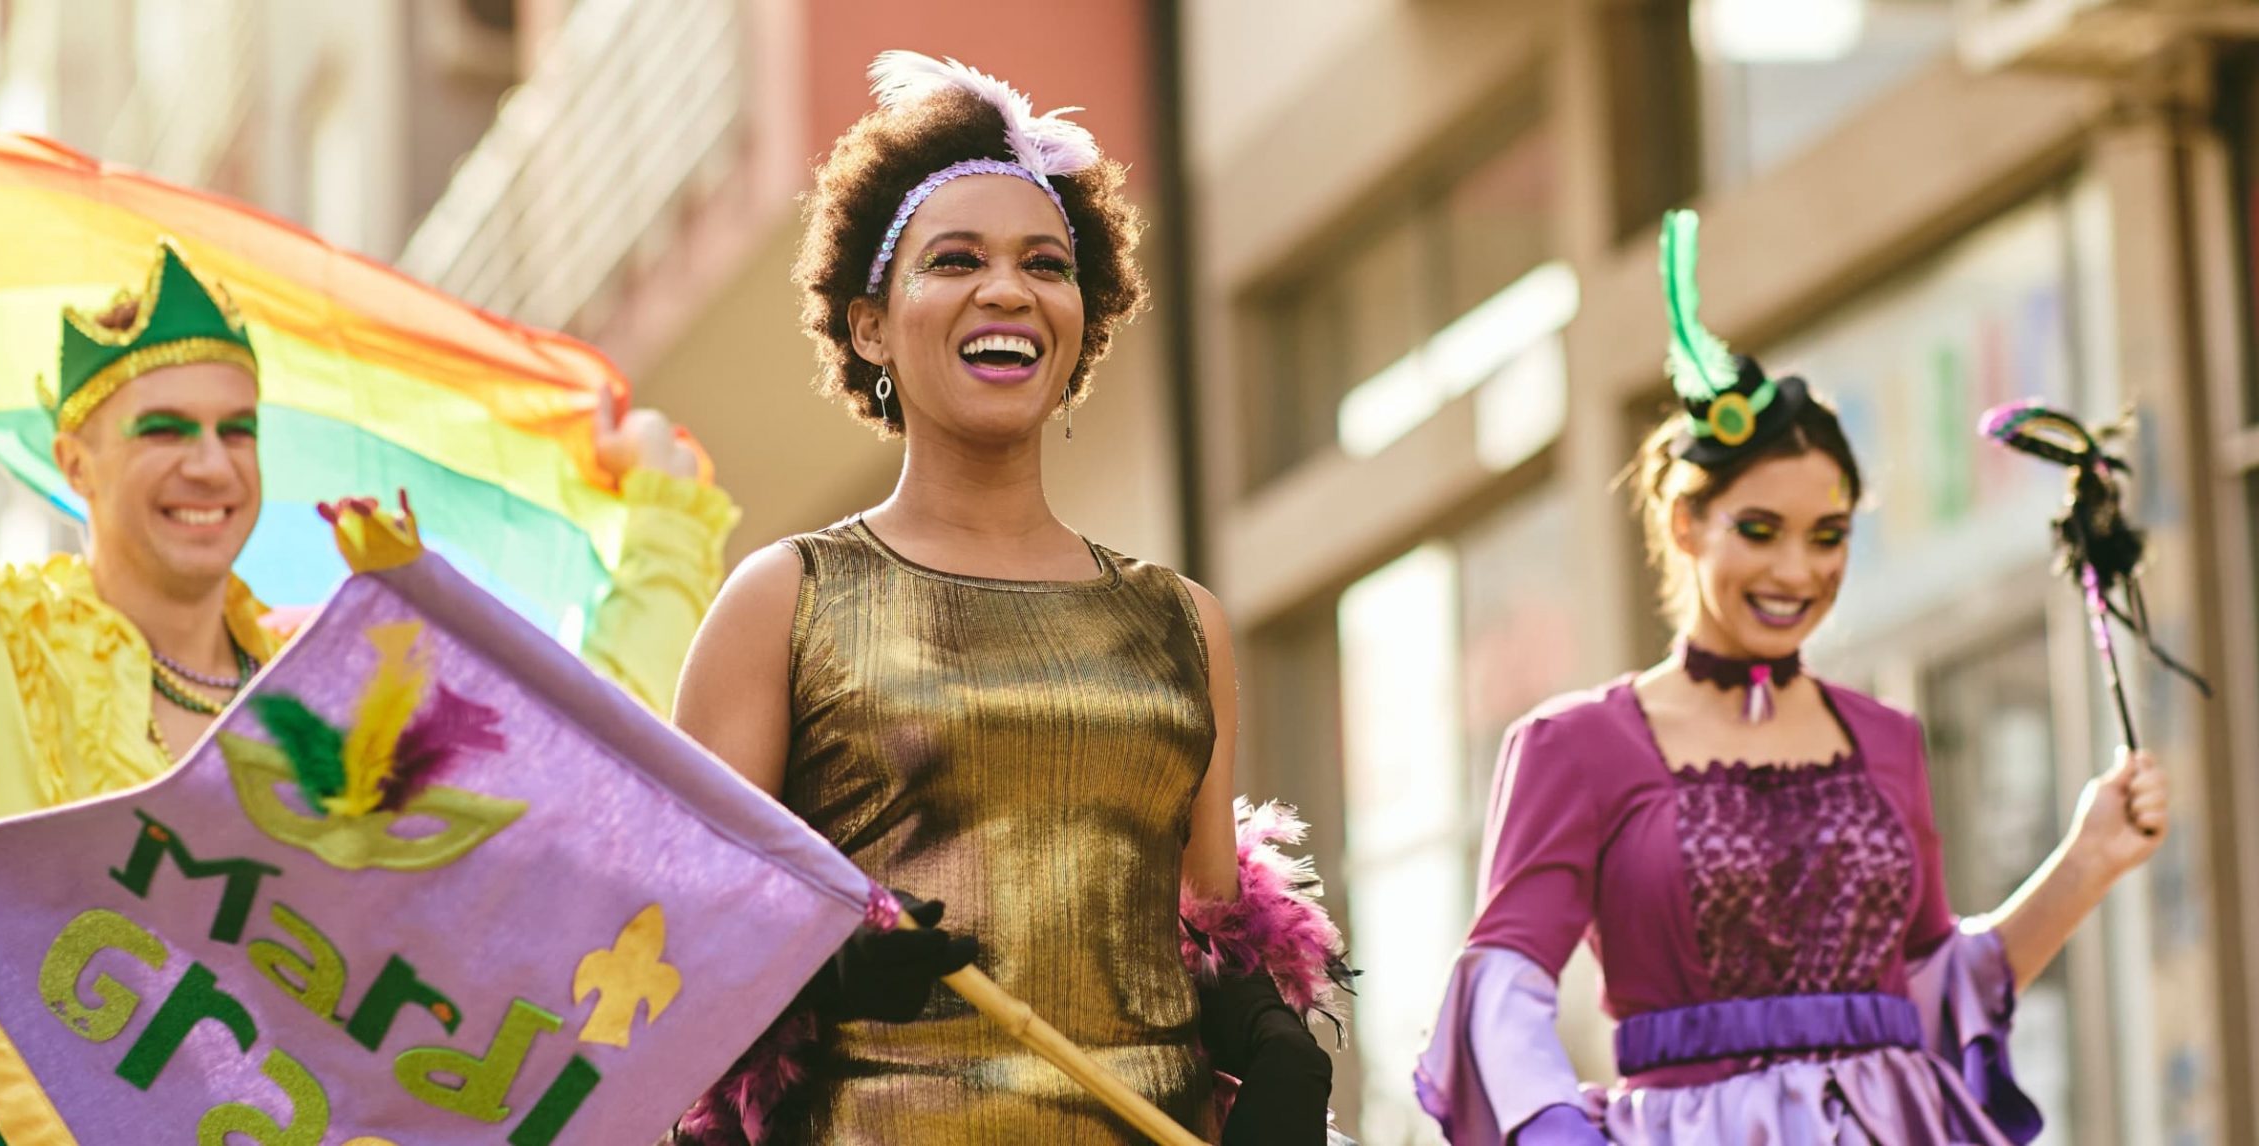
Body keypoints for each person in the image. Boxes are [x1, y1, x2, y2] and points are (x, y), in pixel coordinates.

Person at [668, 53, 1344, 1145]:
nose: (1007, 291)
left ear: (1082, 316)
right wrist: (812, 972)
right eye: (954, 260)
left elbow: (1206, 927)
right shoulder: (781, 600)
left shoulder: (1183, 623)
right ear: (869, 326)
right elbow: (665, 939)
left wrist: (1263, 1030)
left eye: (1045, 263)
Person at [1414, 210, 2169, 1144]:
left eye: (1830, 536)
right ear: (1687, 524)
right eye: (1760, 530)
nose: (1799, 572)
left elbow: (1932, 993)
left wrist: (2088, 860)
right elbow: (1505, 979)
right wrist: (1554, 1131)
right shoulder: (1575, 747)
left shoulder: (1885, 738)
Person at [0, 131, 735, 837]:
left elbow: (584, 772)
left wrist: (666, 518)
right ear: (74, 463)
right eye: (165, 431)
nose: (211, 465)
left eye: (237, 431)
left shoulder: (335, 688)